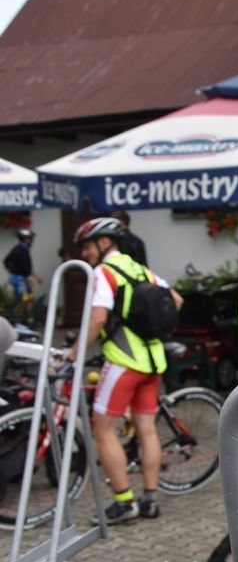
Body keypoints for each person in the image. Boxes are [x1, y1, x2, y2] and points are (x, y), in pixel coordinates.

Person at [67, 217, 183, 524]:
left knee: (103, 430)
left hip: (123, 360)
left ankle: (123, 502)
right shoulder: (141, 269)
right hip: (153, 361)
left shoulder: (103, 273)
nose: (84, 254)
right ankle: (149, 500)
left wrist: (74, 354)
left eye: (87, 246)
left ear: (104, 242)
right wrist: (149, 327)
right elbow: (176, 300)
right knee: (147, 429)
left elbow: (98, 319)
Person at [4, 228, 42, 318]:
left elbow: (6, 261)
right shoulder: (23, 250)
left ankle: (25, 317)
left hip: (17, 277)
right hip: (20, 279)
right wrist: (35, 276)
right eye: (30, 239)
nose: (31, 241)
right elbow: (25, 267)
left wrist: (11, 271)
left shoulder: (17, 248)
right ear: (25, 239)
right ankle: (18, 318)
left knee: (27, 298)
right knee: (23, 299)